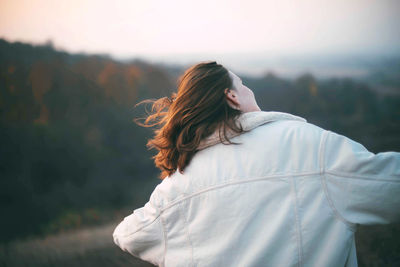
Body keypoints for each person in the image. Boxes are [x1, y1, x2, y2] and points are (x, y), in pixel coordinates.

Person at [112, 61, 400, 267]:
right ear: (232, 97)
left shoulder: (176, 184)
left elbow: (128, 234)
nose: (249, 90)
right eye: (243, 84)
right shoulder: (310, 146)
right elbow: (391, 186)